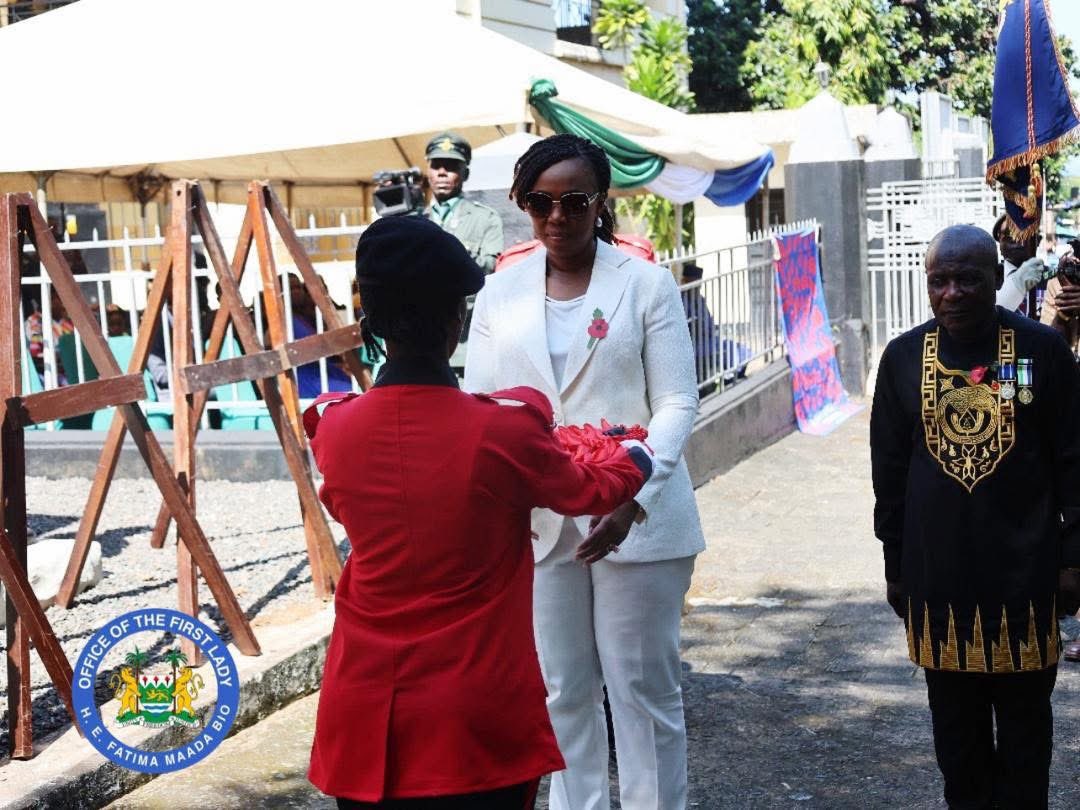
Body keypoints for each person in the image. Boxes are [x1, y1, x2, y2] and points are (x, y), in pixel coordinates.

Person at [305, 215, 654, 809]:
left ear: (370, 323)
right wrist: (638, 453)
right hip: (474, 715)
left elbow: (342, 503)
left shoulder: (332, 427)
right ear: (456, 322)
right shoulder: (502, 430)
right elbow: (592, 491)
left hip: (365, 709)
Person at [465, 133, 705, 810]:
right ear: (524, 206)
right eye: (540, 202)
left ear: (600, 202)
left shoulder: (645, 285)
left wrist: (632, 493)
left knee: (641, 690)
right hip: (540, 527)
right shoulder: (497, 295)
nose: (557, 217)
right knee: (563, 692)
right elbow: (486, 409)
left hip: (637, 519)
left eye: (573, 200)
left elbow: (679, 401)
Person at [870, 224, 1080, 808]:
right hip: (939, 586)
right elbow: (888, 475)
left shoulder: (1042, 351)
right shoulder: (904, 358)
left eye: (968, 279)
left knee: (1025, 746)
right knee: (957, 752)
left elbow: (1074, 461)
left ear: (996, 278)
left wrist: (1073, 560)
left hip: (1026, 581)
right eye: (940, 281)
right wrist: (895, 564)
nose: (953, 293)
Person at [424, 132, 503, 274]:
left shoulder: (485, 218)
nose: (442, 172)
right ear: (428, 173)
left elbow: (491, 267)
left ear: (465, 174)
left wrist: (455, 251)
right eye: (436, 166)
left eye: (451, 167)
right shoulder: (415, 217)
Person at [287, 273, 353, 398]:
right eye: (291, 289)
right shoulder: (283, 322)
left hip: (325, 371)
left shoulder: (306, 318)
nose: (296, 292)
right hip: (308, 379)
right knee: (355, 392)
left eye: (298, 288)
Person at [992, 214, 1045, 314]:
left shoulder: (1053, 279)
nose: (1016, 239)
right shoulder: (990, 279)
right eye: (1008, 235)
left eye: (1023, 234)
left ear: (1038, 240)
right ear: (999, 242)